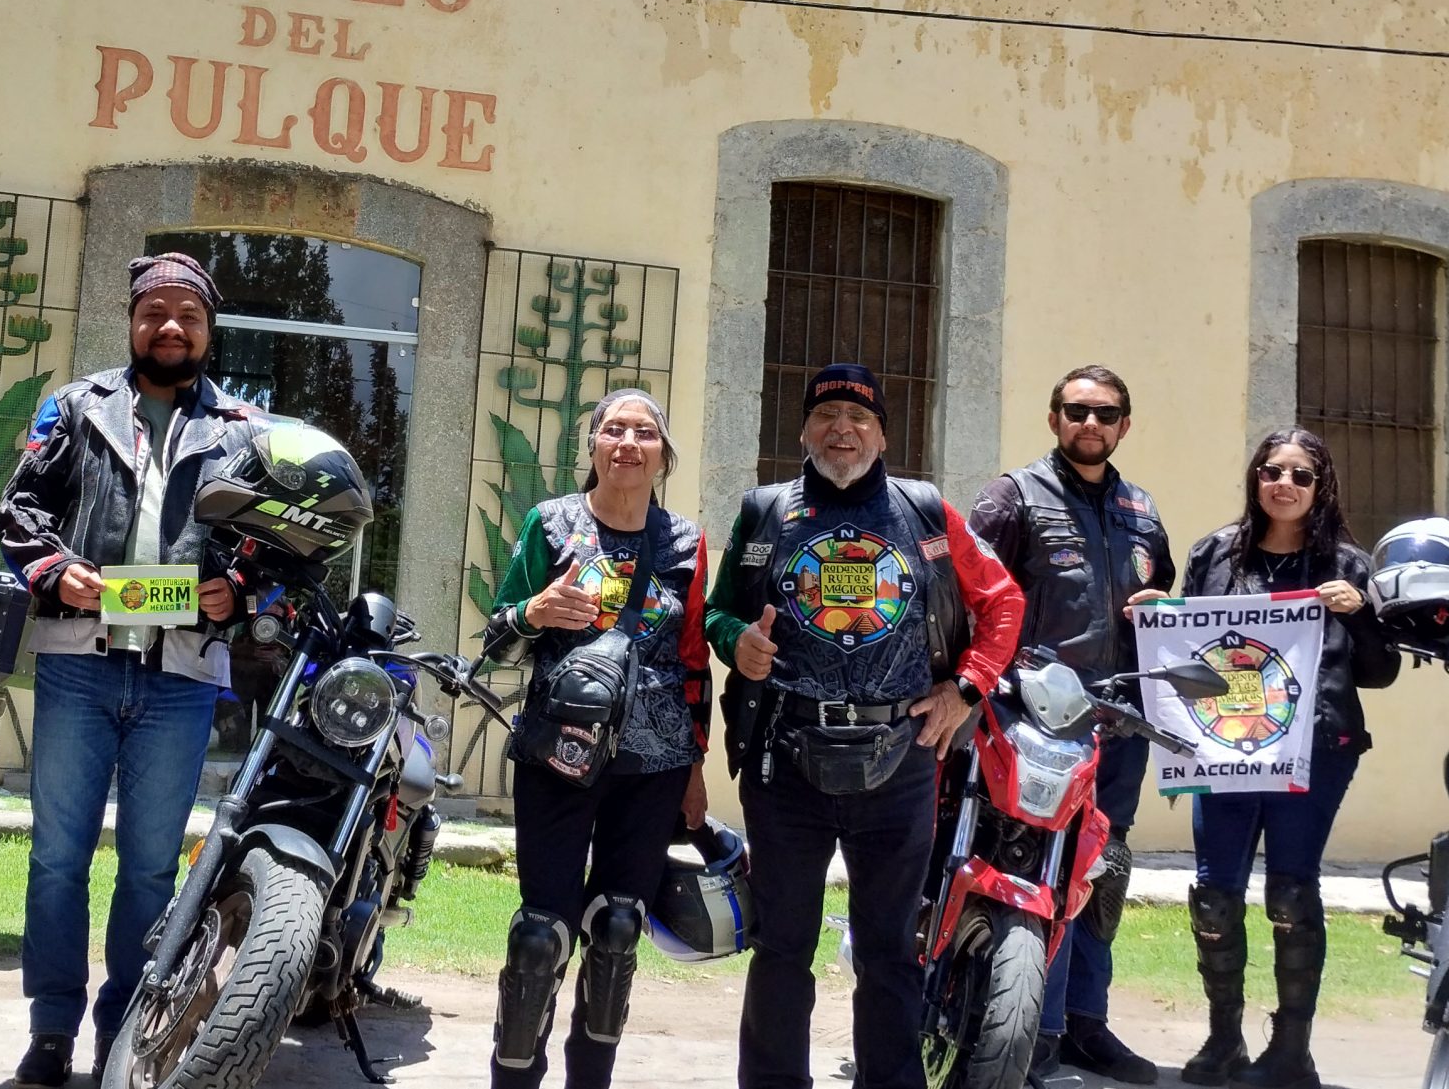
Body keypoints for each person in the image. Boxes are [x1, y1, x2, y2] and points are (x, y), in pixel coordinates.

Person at [706, 364, 1025, 1089]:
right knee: (782, 946)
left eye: (858, 416)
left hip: (901, 760)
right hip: (785, 762)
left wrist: (966, 688)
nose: (841, 429)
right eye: (826, 415)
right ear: (803, 431)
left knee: (889, 951)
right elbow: (718, 611)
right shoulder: (764, 511)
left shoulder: (926, 513)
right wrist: (737, 642)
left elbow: (1003, 602)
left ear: (882, 434)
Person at [0, 252, 266, 1088]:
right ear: (133, 321)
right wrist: (52, 568)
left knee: (152, 866)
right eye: (155, 311)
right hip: (80, 663)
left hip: (181, 675)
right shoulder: (75, 407)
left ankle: (125, 1026)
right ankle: (49, 1031)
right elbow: (19, 510)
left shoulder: (247, 429)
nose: (171, 326)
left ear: (210, 327)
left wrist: (239, 587)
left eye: (188, 312)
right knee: (56, 859)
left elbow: (276, 542)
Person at [485, 389, 713, 1089]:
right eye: (613, 428)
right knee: (537, 938)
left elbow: (696, 660)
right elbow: (498, 635)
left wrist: (697, 766)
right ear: (593, 446)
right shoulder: (549, 523)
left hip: (655, 764)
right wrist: (536, 607)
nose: (627, 442)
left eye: (644, 432)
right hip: (559, 754)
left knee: (616, 930)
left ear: (662, 454)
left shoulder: (685, 542)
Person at [967, 364, 1175, 1086]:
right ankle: (1031, 1026)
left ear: (1125, 424)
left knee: (1103, 870)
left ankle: (1086, 1022)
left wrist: (1158, 604)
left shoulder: (1142, 508)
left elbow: (1164, 595)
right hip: (1032, 717)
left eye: (1106, 412)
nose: (1092, 423)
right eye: (1078, 410)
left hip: (1117, 722)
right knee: (1035, 866)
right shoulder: (1012, 496)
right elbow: (969, 590)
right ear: (1054, 418)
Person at [1174, 430, 1397, 1089]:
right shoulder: (1213, 553)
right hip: (1223, 744)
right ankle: (1223, 1041)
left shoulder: (1350, 566)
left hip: (1315, 745)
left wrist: (1359, 616)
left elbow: (1381, 671)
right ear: (1256, 477)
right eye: (1272, 470)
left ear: (1320, 486)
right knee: (1214, 896)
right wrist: (1157, 616)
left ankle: (1292, 1051)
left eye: (1301, 474)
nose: (1285, 483)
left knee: (1291, 892)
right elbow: (1185, 651)